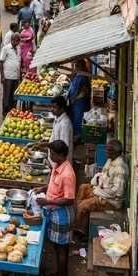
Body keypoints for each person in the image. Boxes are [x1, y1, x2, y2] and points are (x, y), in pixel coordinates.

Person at [34, 140, 76, 276]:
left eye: (52, 153)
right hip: (54, 211)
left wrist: (47, 201)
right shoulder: (57, 165)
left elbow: (69, 199)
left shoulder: (67, 174)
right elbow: (54, 185)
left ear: (61, 155)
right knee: (57, 247)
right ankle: (59, 271)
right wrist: (43, 188)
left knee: (61, 249)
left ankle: (62, 273)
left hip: (62, 214)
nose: (50, 156)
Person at [73, 139, 129, 236]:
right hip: (103, 191)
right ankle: (79, 218)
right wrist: (97, 184)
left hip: (111, 202)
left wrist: (98, 192)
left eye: (109, 150)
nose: (106, 152)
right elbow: (103, 174)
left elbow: (118, 192)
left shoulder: (120, 169)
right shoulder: (110, 160)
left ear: (116, 152)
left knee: (84, 205)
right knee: (83, 188)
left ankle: (80, 229)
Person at [38, 96, 73, 162]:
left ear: (62, 108)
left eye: (54, 107)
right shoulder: (57, 119)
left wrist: (47, 145)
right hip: (55, 160)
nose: (51, 109)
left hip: (61, 162)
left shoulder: (65, 124)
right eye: (51, 107)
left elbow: (63, 146)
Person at [67, 59, 91, 139]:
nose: (75, 67)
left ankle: (78, 137)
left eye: (77, 65)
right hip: (74, 103)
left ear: (82, 67)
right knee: (74, 120)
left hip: (79, 103)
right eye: (75, 65)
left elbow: (84, 92)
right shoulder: (78, 75)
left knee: (78, 120)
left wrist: (75, 98)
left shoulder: (83, 77)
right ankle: (75, 136)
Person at [0, 33, 21, 116]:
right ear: (12, 40)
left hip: (16, 77)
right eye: (15, 40)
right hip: (7, 77)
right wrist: (2, 76)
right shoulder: (6, 48)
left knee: (14, 96)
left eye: (18, 40)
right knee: (7, 97)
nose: (17, 42)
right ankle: (5, 113)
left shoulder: (18, 48)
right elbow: (1, 62)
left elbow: (18, 61)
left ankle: (12, 113)